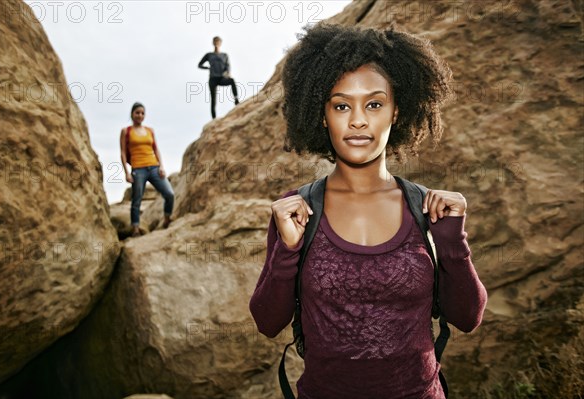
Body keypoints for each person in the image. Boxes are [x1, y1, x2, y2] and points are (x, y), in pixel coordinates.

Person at [249, 23, 487, 399]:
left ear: (396, 112)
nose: (358, 120)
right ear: (322, 115)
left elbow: (468, 318)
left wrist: (453, 244)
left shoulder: (427, 209)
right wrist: (287, 252)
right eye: (341, 105)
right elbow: (267, 321)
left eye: (374, 104)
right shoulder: (297, 211)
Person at [120, 102, 175, 237]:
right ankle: (135, 228)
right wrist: (126, 172)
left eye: (142, 113)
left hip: (154, 167)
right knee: (137, 199)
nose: (140, 115)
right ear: (132, 114)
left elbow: (155, 149)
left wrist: (161, 166)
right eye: (137, 112)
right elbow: (122, 152)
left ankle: (167, 219)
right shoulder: (126, 131)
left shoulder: (150, 130)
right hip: (138, 169)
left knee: (169, 194)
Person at [198, 36, 240, 119]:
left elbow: (228, 66)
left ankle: (236, 99)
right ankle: (214, 119)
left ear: (220, 43)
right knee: (213, 100)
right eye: (215, 42)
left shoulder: (224, 55)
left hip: (221, 78)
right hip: (213, 79)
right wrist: (207, 68)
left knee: (232, 80)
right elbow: (199, 65)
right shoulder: (209, 55)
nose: (216, 43)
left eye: (218, 42)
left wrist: (227, 73)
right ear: (213, 43)